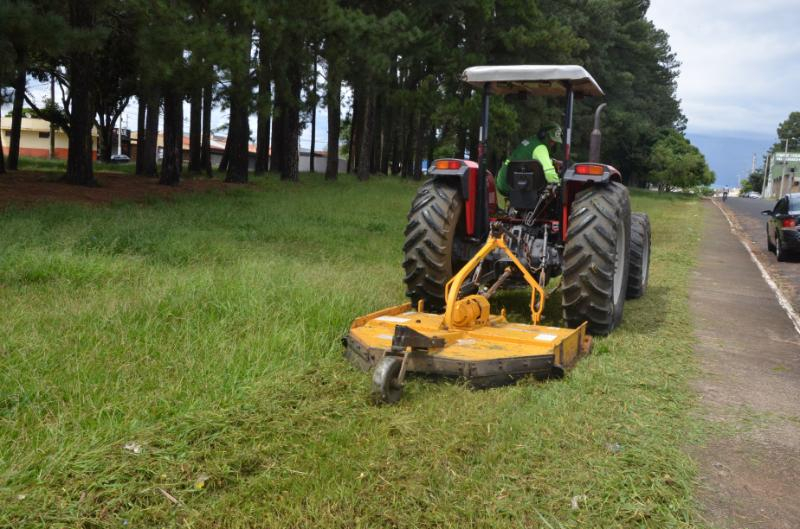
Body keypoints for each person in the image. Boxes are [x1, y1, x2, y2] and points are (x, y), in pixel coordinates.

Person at [496, 123, 563, 196]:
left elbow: (534, 157)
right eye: (551, 140)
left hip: (503, 181)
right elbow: (549, 173)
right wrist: (560, 184)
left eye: (554, 142)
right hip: (513, 185)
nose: (552, 144)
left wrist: (553, 161)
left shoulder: (531, 141)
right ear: (543, 135)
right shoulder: (540, 147)